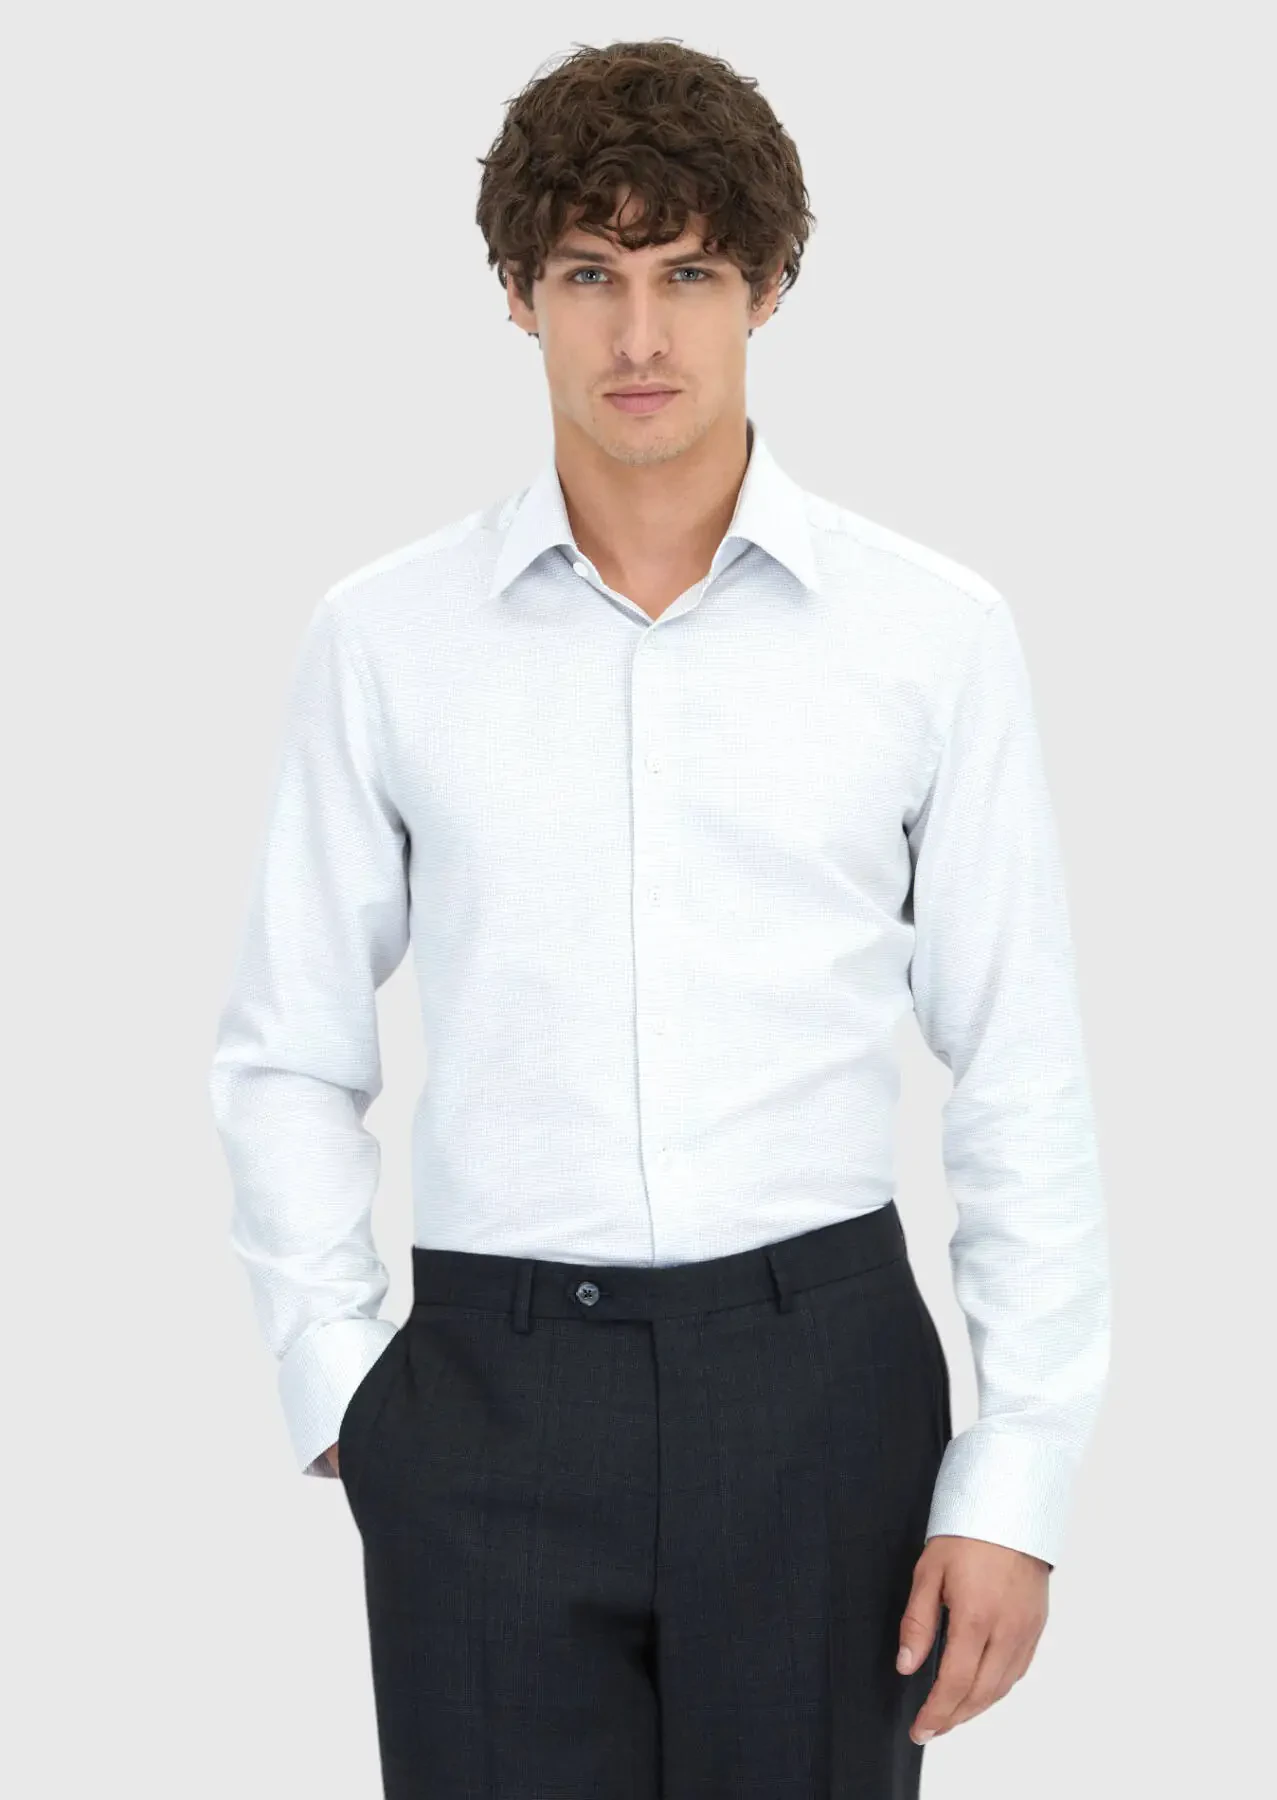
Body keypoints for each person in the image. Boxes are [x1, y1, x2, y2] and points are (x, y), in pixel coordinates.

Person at [208, 36, 1110, 1800]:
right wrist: (343, 1384)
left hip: (823, 1392)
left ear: (766, 287)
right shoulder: (386, 640)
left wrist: (1018, 1476)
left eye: (688, 273)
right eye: (589, 275)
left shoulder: (929, 636)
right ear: (519, 294)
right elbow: (289, 1045)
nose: (639, 336)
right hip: (485, 1400)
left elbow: (1019, 1065)